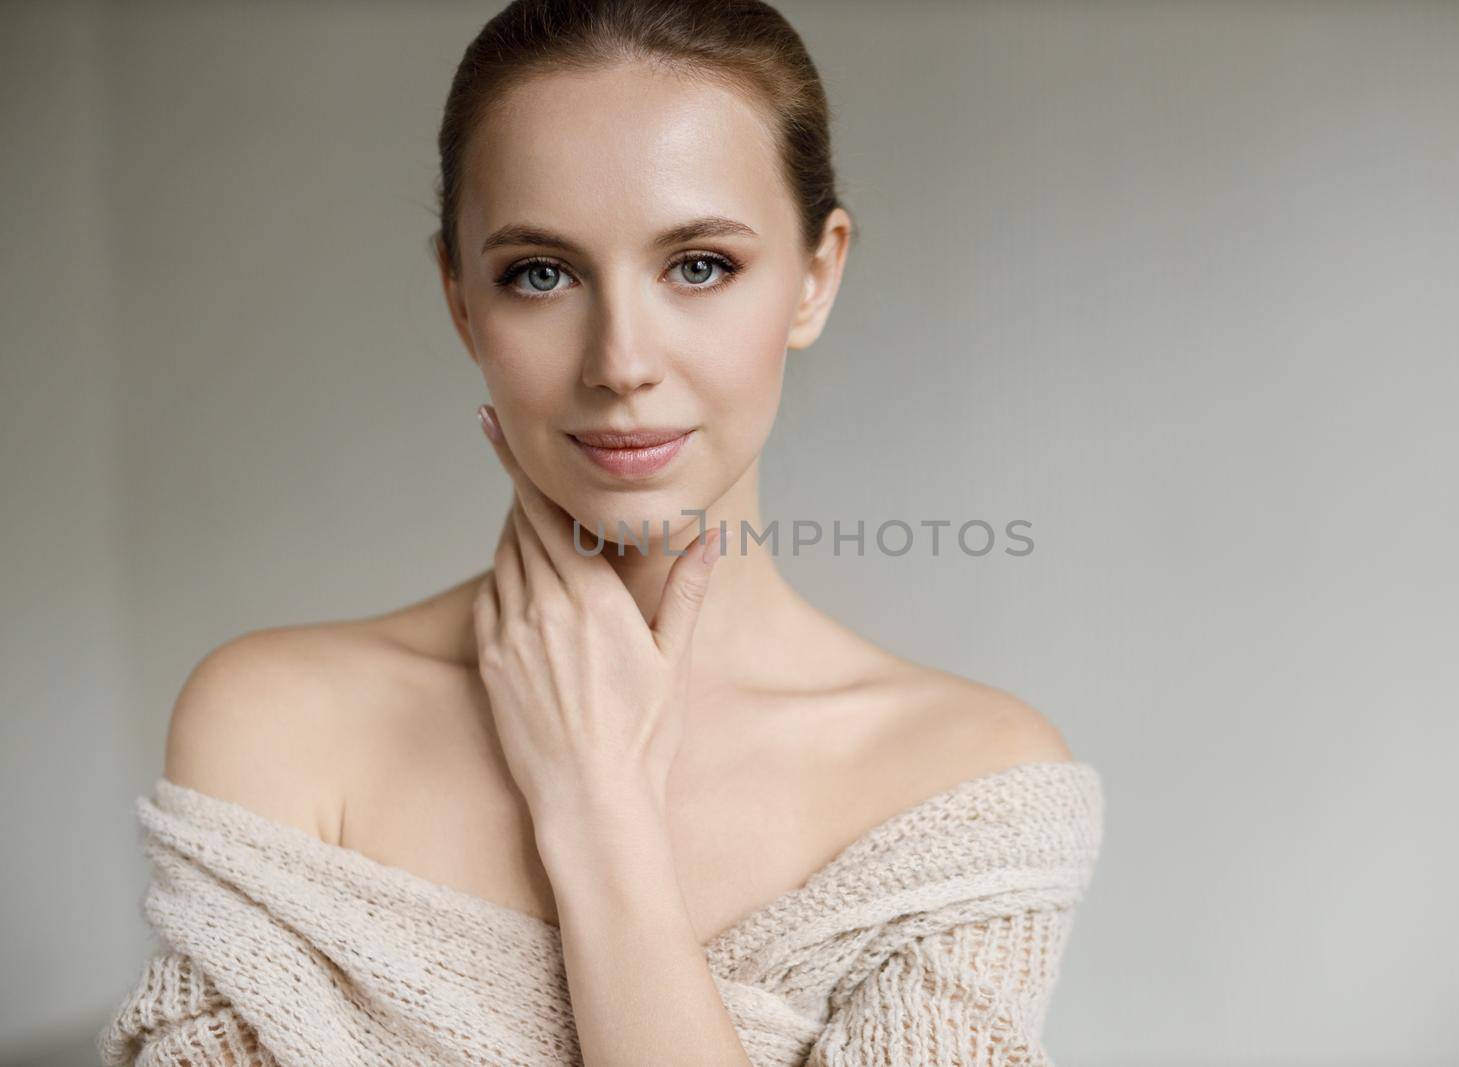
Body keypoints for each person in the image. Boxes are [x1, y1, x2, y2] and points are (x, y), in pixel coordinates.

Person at [99, 1, 1104, 1064]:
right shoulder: (282, 721)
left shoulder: (959, 790)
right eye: (542, 273)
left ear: (815, 276)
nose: (619, 361)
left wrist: (598, 812)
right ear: (459, 296)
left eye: (700, 265)